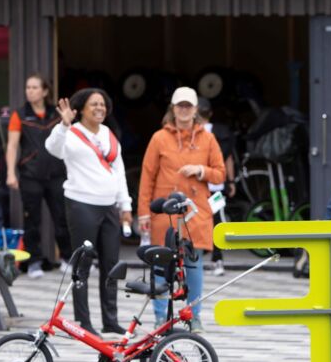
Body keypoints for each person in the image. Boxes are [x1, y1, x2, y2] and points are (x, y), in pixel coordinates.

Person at [45, 88, 133, 337]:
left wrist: (125, 205)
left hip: (109, 207)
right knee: (83, 263)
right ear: (81, 108)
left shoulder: (109, 135)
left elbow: (119, 172)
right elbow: (53, 149)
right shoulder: (70, 133)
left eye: (103, 105)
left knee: (111, 264)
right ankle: (83, 322)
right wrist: (63, 124)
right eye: (94, 104)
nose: (99, 108)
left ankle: (110, 320)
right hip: (81, 204)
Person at [137, 86, 226, 332]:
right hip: (164, 211)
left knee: (194, 265)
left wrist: (201, 170)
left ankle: (194, 315)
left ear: (196, 109)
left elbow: (220, 173)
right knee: (160, 264)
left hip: (195, 212)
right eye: (180, 106)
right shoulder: (159, 138)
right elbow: (147, 176)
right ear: (173, 109)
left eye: (188, 106)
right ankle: (159, 317)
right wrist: (144, 211)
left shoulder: (208, 138)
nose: (184, 110)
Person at [5, 74, 72, 278]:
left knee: (61, 217)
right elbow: (12, 145)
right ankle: (33, 262)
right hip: (30, 174)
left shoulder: (56, 113)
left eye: (35, 87)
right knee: (32, 219)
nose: (30, 91)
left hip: (56, 173)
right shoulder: (20, 114)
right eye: (28, 87)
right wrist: (10, 173)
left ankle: (67, 259)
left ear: (44, 91)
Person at [196, 97, 236, 277]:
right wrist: (231, 181)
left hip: (197, 186)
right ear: (211, 113)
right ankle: (218, 260)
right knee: (218, 221)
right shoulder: (222, 134)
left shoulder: (193, 133)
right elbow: (228, 159)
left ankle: (195, 260)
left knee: (195, 221)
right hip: (217, 185)